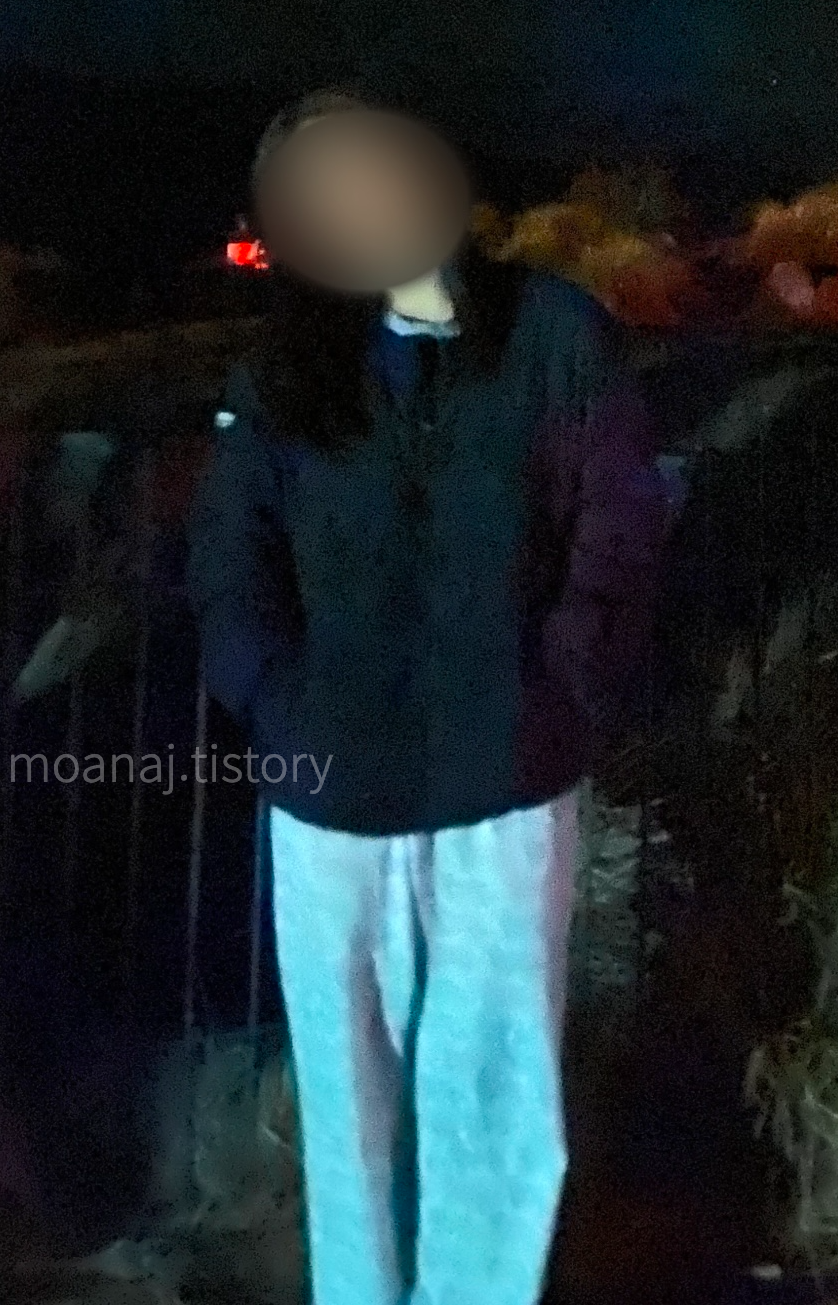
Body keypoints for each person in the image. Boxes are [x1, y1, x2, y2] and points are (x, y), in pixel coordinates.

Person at [184, 89, 669, 1305]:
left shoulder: (552, 334)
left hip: (505, 776)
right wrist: (275, 702)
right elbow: (231, 552)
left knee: (496, 1097)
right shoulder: (288, 364)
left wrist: (562, 695)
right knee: (347, 1106)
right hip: (328, 790)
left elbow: (617, 524)